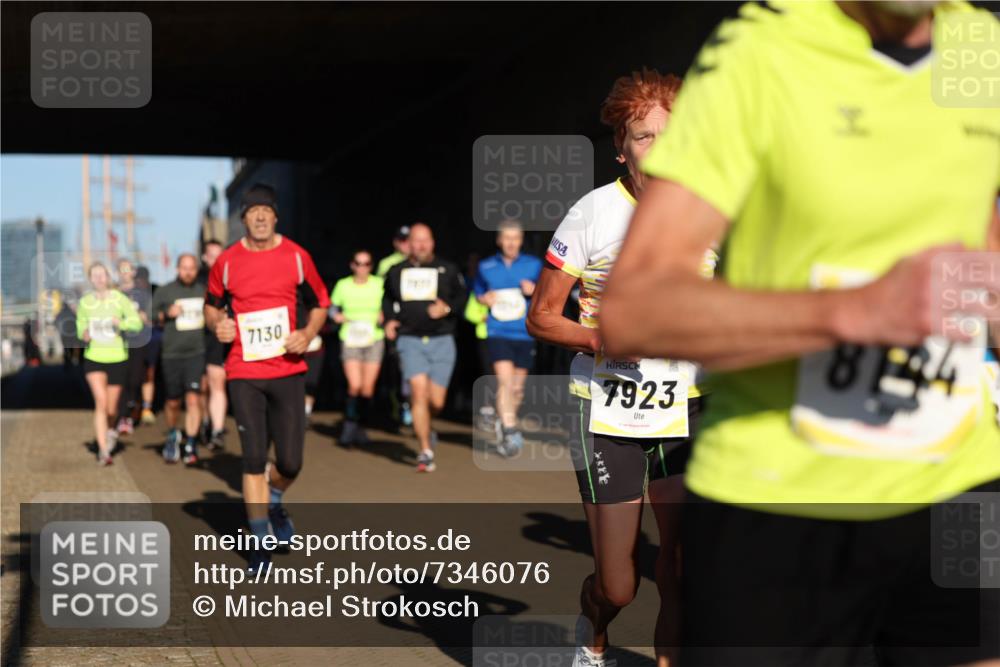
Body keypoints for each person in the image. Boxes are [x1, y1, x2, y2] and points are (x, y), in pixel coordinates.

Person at [600, 3, 1000, 666]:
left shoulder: (980, 45)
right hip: (781, 499)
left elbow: (979, 239)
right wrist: (856, 310)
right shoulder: (763, 51)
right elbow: (634, 312)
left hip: (956, 485)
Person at [528, 69, 710, 667]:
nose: (658, 149)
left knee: (682, 570)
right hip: (606, 411)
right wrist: (604, 340)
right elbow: (543, 317)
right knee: (619, 585)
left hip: (687, 407)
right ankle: (594, 629)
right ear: (621, 147)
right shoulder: (593, 212)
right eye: (644, 136)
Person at [205, 183, 330, 573]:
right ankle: (258, 541)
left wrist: (307, 334)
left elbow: (321, 303)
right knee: (253, 458)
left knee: (291, 462)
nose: (259, 217)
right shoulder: (225, 262)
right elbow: (211, 307)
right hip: (244, 370)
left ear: (276, 216)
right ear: (242, 218)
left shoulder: (296, 257)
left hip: (288, 370)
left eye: (266, 211)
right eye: (252, 211)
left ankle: (275, 497)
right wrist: (218, 326)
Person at [382, 223, 466, 472]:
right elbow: (386, 298)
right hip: (410, 339)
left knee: (436, 401)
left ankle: (428, 425)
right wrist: (389, 320)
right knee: (418, 393)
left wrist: (447, 308)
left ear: (432, 242)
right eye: (416, 240)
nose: (420, 245)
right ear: (409, 244)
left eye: (425, 240)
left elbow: (462, 298)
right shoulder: (397, 271)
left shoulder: (447, 269)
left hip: (442, 340)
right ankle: (425, 450)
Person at [474, 220, 542, 456]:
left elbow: (547, 293)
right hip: (498, 331)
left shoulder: (534, 265)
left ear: (521, 241)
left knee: (517, 389)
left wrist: (534, 291)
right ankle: (511, 428)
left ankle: (504, 422)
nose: (511, 243)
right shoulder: (486, 266)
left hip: (524, 333)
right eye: (507, 238)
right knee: (504, 382)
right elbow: (478, 292)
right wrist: (484, 299)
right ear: (499, 240)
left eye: (516, 238)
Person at [76, 262, 142, 465]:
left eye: (102, 274)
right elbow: (79, 327)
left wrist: (120, 323)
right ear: (90, 279)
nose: (99, 278)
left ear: (108, 277)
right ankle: (104, 451)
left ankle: (110, 430)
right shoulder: (85, 302)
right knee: (101, 403)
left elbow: (137, 324)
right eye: (94, 275)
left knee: (112, 410)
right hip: (94, 358)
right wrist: (84, 334)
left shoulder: (119, 299)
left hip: (117, 358)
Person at [152, 253, 206, 465]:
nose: (188, 272)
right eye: (184, 268)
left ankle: (191, 442)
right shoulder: (166, 291)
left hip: (196, 352)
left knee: (193, 398)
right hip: (172, 353)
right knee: (173, 401)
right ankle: (173, 434)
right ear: (177, 269)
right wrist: (166, 313)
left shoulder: (203, 290)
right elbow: (151, 313)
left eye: (192, 268)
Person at [330, 249, 385, 445]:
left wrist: (384, 315)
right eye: (358, 263)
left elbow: (389, 305)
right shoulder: (343, 285)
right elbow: (332, 307)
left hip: (374, 338)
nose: (362, 268)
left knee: (367, 388)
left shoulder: (379, 284)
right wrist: (336, 316)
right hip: (350, 337)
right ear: (352, 265)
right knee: (355, 385)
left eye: (367, 264)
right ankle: (349, 425)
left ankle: (362, 426)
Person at [378, 225, 413, 425]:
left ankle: (409, 403)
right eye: (402, 241)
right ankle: (397, 404)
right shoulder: (387, 264)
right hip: (393, 321)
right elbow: (381, 293)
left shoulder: (419, 263)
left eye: (409, 240)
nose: (406, 245)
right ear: (396, 243)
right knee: (395, 366)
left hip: (412, 321)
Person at [114, 258, 152, 434]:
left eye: (128, 269)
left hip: (138, 341)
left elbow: (148, 318)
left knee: (135, 379)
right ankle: (123, 417)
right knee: (119, 379)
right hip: (118, 342)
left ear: (133, 272)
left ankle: (132, 409)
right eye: (122, 269)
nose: (125, 273)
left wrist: (138, 315)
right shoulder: (113, 294)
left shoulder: (142, 293)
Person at [199, 239, 228, 451]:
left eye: (220, 254)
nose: (216, 259)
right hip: (197, 341)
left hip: (218, 340)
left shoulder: (231, 279)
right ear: (204, 257)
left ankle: (217, 430)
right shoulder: (197, 280)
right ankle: (205, 421)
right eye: (212, 255)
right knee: (203, 388)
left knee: (217, 382)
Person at [135, 265, 160, 425]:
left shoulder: (155, 290)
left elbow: (157, 314)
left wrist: (150, 318)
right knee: (137, 374)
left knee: (149, 373)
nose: (141, 282)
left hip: (151, 338)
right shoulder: (130, 293)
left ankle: (146, 407)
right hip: (136, 339)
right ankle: (137, 406)